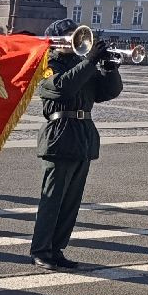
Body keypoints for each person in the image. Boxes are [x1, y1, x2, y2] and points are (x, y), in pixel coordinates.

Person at [29, 19, 122, 269]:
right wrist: (89, 62)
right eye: (71, 36)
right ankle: (41, 250)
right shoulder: (48, 65)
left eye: (78, 35)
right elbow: (62, 88)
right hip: (59, 135)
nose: (77, 40)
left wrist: (109, 69)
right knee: (53, 199)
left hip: (82, 135)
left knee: (71, 201)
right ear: (57, 40)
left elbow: (107, 93)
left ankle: (57, 248)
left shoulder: (80, 64)